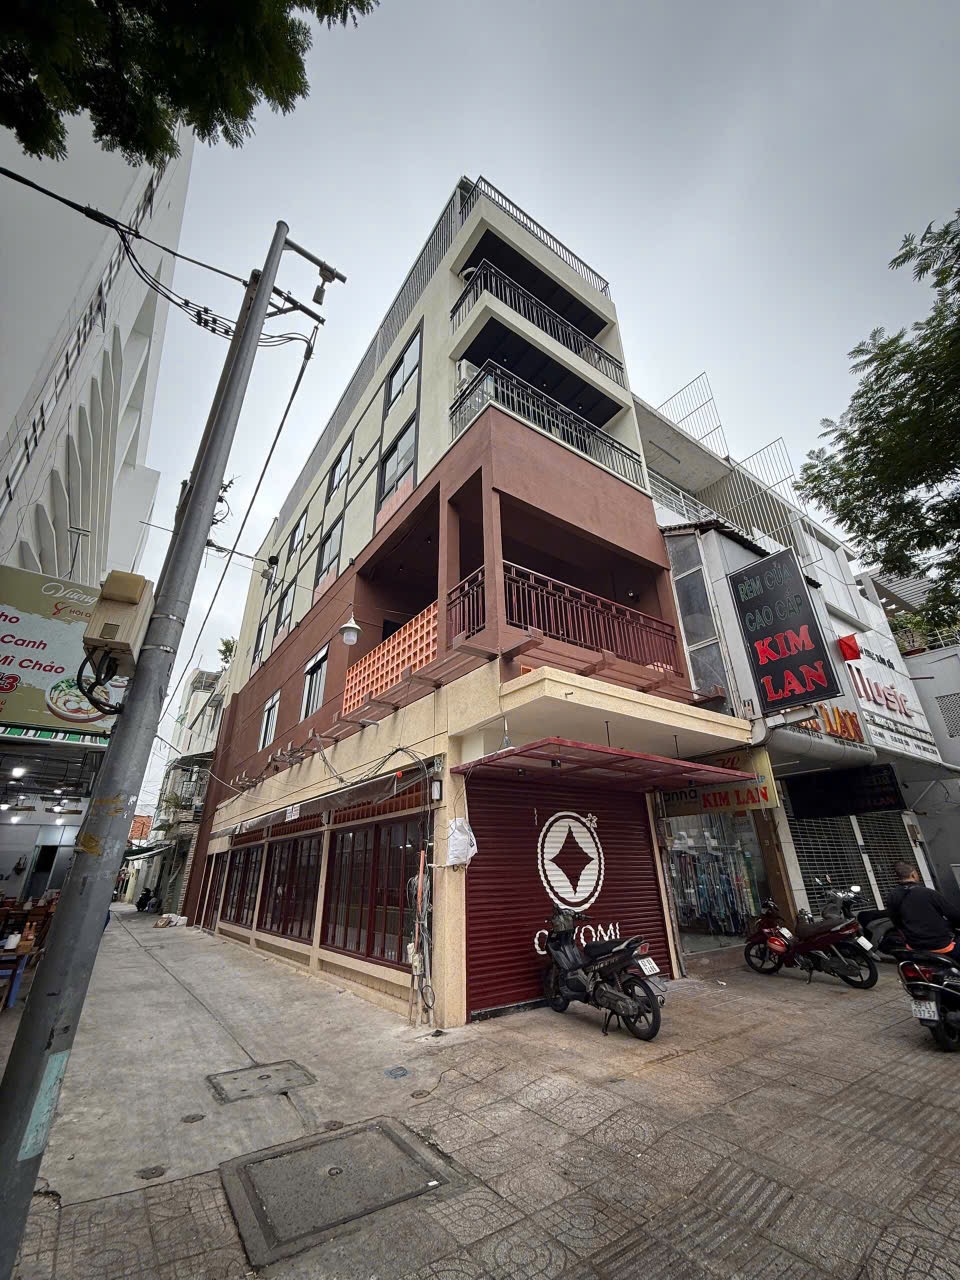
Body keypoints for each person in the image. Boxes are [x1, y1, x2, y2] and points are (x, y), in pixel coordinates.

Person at [884, 862, 960, 956]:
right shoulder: (929, 893)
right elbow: (955, 916)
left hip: (914, 946)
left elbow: (897, 923)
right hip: (941, 946)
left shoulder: (892, 896)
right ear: (913, 875)